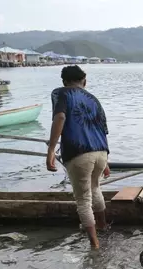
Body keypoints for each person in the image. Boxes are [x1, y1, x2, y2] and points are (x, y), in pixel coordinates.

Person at [46, 65, 111, 249]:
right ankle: (103, 226)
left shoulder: (61, 93)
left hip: (79, 152)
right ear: (84, 80)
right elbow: (102, 129)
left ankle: (95, 244)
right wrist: (106, 161)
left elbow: (60, 118)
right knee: (95, 188)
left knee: (83, 199)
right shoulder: (94, 99)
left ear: (65, 81)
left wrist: (51, 149)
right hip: (101, 151)